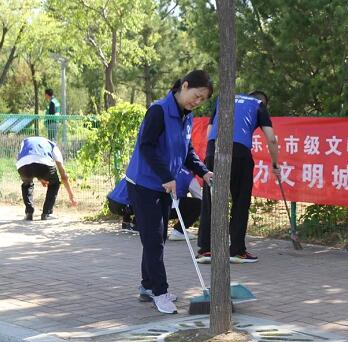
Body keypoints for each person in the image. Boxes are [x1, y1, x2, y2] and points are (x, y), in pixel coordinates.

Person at [124, 70, 213, 314]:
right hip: (144, 184)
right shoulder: (159, 111)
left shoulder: (187, 116)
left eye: (202, 100)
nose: (197, 102)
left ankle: (147, 286)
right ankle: (160, 293)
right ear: (184, 86)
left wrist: (203, 171)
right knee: (154, 240)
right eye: (196, 96)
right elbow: (147, 147)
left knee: (157, 238)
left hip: (164, 185)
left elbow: (187, 150)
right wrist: (166, 176)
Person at [196, 91, 280, 264]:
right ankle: (236, 251)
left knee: (210, 200)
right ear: (263, 101)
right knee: (240, 201)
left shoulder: (224, 98)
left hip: (213, 151)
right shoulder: (258, 105)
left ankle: (206, 249)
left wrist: (211, 155)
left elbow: (210, 130)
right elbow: (271, 139)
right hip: (240, 154)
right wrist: (275, 164)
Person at [107, 168, 202, 238]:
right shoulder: (189, 177)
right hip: (139, 205)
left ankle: (131, 223)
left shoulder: (160, 169)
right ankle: (179, 230)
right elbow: (200, 198)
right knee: (199, 204)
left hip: (113, 202)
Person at [16, 136, 77, 220]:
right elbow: (63, 176)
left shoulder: (25, 141)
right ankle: (46, 213)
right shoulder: (53, 145)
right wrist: (71, 195)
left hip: (23, 166)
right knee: (54, 184)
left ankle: (29, 213)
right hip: (44, 164)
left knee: (27, 183)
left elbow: (30, 162)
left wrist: (40, 177)